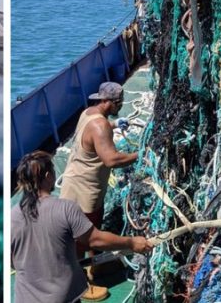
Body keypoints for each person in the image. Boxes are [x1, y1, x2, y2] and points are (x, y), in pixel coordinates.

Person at [12, 151, 151, 303]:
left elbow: (12, 262)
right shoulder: (65, 209)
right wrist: (131, 243)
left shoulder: (11, 218)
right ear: (48, 176)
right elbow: (95, 240)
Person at [59, 81, 138, 300]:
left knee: (93, 227)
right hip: (84, 189)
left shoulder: (89, 113)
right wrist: (139, 155)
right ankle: (79, 284)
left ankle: (95, 266)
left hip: (80, 181)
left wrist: (114, 124)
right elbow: (111, 159)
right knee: (82, 238)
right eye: (119, 103)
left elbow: (97, 129)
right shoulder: (100, 126)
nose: (120, 106)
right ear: (110, 102)